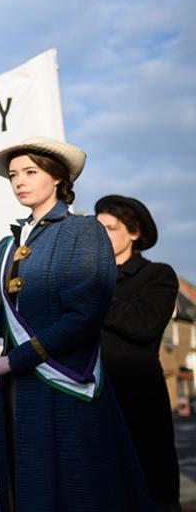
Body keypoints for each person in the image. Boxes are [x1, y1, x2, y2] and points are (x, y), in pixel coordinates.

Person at [0, 137, 152, 511]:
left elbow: (85, 317)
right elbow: (7, 327)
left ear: (57, 178)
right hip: (20, 387)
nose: (19, 181)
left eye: (30, 172)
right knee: (27, 491)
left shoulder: (82, 231)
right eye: (14, 175)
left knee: (76, 492)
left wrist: (11, 362)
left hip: (66, 384)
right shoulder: (6, 245)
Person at [96, 194, 180, 512]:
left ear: (134, 233)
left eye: (111, 227)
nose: (101, 235)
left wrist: (94, 294)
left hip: (137, 398)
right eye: (97, 228)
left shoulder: (157, 275)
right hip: (93, 395)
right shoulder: (88, 278)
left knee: (151, 490)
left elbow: (142, 325)